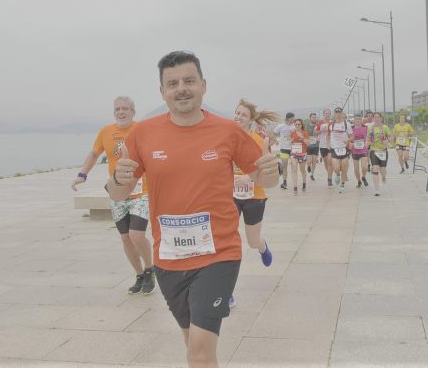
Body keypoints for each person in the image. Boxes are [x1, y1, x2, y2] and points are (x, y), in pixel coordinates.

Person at [109, 51, 279, 368]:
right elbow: (122, 192)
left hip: (219, 254)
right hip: (169, 258)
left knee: (199, 353)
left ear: (203, 84)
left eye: (189, 80)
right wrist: (116, 179)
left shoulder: (228, 131)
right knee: (195, 348)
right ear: (162, 92)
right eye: (172, 83)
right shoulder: (143, 133)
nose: (181, 88)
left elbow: (264, 179)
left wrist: (272, 169)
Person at [71, 96, 154, 296]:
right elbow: (93, 154)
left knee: (137, 236)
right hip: (117, 193)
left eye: (125, 108)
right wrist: (82, 175)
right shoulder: (106, 132)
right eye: (117, 109)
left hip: (140, 192)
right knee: (125, 239)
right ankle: (139, 275)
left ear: (133, 112)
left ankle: (150, 270)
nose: (121, 112)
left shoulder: (142, 129)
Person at [232, 99, 279, 267]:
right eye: (237, 113)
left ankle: (263, 248)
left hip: (254, 195)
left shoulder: (259, 141)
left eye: (244, 115)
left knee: (253, 241)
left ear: (251, 120)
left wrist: (248, 177)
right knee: (226, 237)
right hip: (231, 196)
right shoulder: (226, 138)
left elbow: (266, 168)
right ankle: (224, 285)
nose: (239, 117)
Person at [366, 112, 393, 197]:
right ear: (373, 119)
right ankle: (377, 189)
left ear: (380, 118)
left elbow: (391, 136)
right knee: (375, 169)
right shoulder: (370, 128)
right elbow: (367, 138)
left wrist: (387, 141)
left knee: (383, 170)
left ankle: (384, 176)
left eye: (378, 117)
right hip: (374, 151)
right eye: (375, 117)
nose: (376, 119)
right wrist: (367, 143)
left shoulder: (384, 127)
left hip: (383, 151)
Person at [327, 108, 352, 194]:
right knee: (336, 168)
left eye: (339, 113)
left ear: (342, 114)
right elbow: (328, 134)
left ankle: (342, 185)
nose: (338, 114)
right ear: (334, 114)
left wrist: (348, 140)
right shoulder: (331, 124)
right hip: (334, 149)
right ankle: (337, 174)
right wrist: (328, 144)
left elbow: (352, 136)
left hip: (344, 148)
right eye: (336, 113)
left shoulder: (347, 124)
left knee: (344, 168)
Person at [274, 113, 295, 190]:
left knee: (294, 165)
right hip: (284, 148)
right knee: (284, 165)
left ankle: (294, 182)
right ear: (290, 118)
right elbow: (273, 133)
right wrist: (275, 140)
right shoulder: (281, 126)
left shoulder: (295, 126)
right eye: (293, 118)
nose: (294, 119)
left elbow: (299, 134)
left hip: (293, 148)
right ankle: (285, 182)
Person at [289, 119, 311, 194]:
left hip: (302, 153)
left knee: (302, 170)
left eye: (299, 124)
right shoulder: (292, 133)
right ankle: (295, 187)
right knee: (294, 169)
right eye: (296, 124)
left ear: (301, 125)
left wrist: (302, 137)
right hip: (294, 153)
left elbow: (308, 143)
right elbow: (292, 141)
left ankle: (304, 183)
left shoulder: (304, 133)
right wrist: (290, 142)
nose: (297, 126)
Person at [315, 109, 334, 186]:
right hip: (323, 145)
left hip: (331, 145)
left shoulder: (333, 123)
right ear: (324, 115)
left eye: (329, 113)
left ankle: (330, 178)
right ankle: (329, 173)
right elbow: (315, 133)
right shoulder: (320, 123)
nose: (327, 114)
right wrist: (321, 130)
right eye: (326, 113)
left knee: (330, 161)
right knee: (326, 162)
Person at [351, 115, 369, 188]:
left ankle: (364, 177)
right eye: (356, 119)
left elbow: (367, 136)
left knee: (364, 166)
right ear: (354, 120)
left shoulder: (365, 127)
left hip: (363, 149)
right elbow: (349, 137)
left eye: (359, 119)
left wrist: (367, 142)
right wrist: (350, 143)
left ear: (361, 120)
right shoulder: (351, 128)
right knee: (356, 168)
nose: (358, 120)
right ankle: (358, 180)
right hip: (355, 150)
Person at [305, 113, 320, 181]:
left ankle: (312, 174)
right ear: (310, 118)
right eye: (313, 117)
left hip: (316, 145)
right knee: (309, 160)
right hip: (308, 146)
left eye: (315, 117)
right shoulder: (306, 127)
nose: (314, 118)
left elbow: (321, 133)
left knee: (314, 160)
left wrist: (318, 139)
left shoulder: (318, 126)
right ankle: (308, 165)